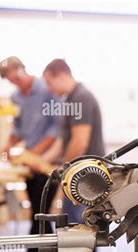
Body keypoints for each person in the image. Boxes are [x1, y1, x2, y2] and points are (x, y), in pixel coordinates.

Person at [0, 56, 60, 252]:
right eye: (11, 81)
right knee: (39, 216)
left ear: (23, 70)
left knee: (42, 218)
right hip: (30, 166)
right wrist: (9, 143)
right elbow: (18, 129)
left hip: (47, 164)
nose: (16, 83)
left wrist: (34, 154)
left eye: (17, 77)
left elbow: (55, 129)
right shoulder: (16, 97)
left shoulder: (47, 90)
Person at [42, 59, 105, 224]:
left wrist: (63, 173)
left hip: (85, 180)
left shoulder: (81, 98)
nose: (49, 89)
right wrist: (43, 161)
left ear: (61, 76)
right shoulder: (71, 99)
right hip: (78, 177)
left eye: (49, 83)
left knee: (80, 234)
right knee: (74, 231)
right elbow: (64, 141)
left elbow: (79, 142)